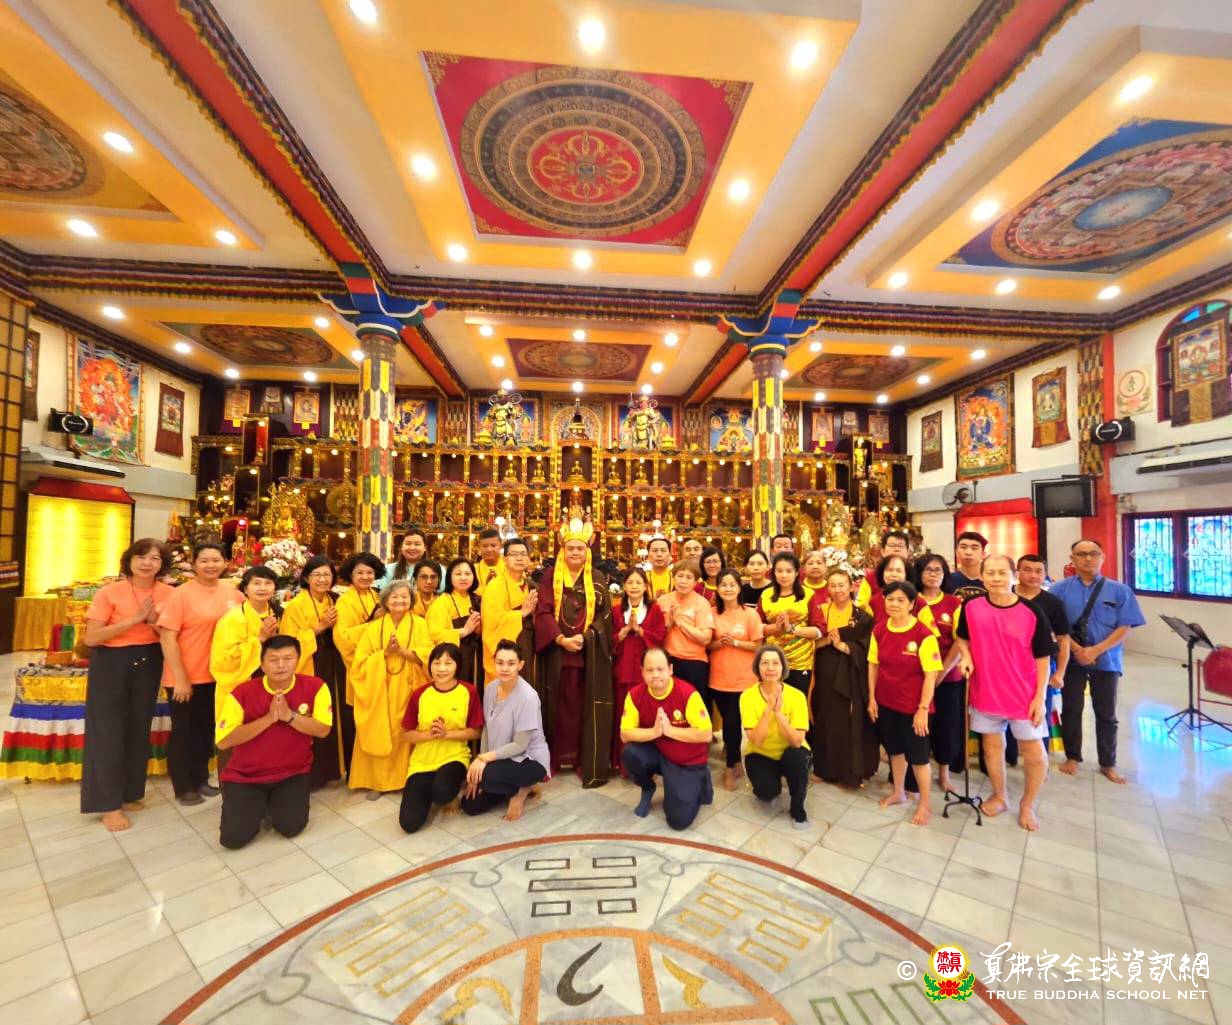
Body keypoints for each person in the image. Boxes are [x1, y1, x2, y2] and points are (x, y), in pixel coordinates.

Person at [955, 555, 1055, 830]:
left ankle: (1028, 804)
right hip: (985, 690)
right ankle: (1000, 796)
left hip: (1023, 694)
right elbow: (962, 637)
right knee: (991, 747)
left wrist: (1040, 698)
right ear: (982, 576)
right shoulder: (971, 606)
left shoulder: (1032, 612)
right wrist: (966, 656)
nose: (996, 578)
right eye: (990, 573)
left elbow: (1043, 657)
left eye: (1002, 573)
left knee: (1034, 753)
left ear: (1014, 576)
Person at [81, 539, 174, 831]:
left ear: (162, 564)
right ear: (129, 561)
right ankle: (108, 805)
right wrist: (135, 619)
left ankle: (130, 792)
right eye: (141, 557)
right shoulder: (109, 593)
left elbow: (169, 634)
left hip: (149, 660)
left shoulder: (170, 593)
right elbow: (91, 638)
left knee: (138, 728)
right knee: (107, 732)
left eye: (155, 558)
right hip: (112, 662)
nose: (147, 563)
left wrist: (155, 624)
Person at [215, 635, 331, 849]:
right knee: (233, 840)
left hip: (293, 772)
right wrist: (268, 719)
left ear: (298, 660)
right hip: (246, 776)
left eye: (288, 658)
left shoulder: (315, 687)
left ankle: (270, 805)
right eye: (273, 659)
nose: (281, 665)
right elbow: (223, 742)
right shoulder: (241, 693)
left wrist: (289, 716)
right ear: (261, 664)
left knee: (291, 827)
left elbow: (323, 730)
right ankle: (259, 805)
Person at [1050, 540, 1145, 784]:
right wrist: (1077, 650)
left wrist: (1096, 650)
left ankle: (1108, 763)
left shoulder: (1120, 591)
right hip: (1071, 660)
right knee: (1071, 709)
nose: (1087, 559)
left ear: (1102, 557)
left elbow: (1125, 626)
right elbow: (1054, 624)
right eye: (1081, 554)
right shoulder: (1059, 590)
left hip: (1107, 660)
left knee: (1106, 713)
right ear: (1072, 558)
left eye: (1093, 554)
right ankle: (1073, 756)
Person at [158, 542, 242, 806]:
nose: (210, 565)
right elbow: (167, 637)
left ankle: (200, 778)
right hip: (186, 676)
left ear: (225, 562)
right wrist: (181, 678)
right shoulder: (181, 595)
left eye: (216, 560)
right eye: (204, 560)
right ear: (193, 564)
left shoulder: (232, 592)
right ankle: (183, 786)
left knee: (207, 731)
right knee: (184, 732)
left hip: (219, 676)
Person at [534, 519, 613, 787]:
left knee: (582, 709)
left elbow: (604, 616)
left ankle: (581, 759)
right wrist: (560, 639)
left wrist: (586, 637)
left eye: (580, 548)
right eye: (571, 548)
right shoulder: (550, 576)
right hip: (557, 655)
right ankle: (554, 758)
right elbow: (543, 611)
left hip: (586, 655)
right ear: (563, 550)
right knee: (555, 708)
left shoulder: (597, 578)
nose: (576, 553)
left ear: (587, 551)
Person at [867, 581, 943, 825]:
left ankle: (925, 804)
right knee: (895, 751)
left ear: (912, 604)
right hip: (887, 703)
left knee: (919, 758)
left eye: (901, 600)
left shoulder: (924, 635)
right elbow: (873, 665)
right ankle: (899, 792)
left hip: (914, 708)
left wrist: (923, 709)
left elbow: (931, 675)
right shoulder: (880, 629)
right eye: (890, 599)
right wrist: (872, 698)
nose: (894, 604)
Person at [349, 579, 431, 797]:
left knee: (406, 730)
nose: (400, 601)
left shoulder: (420, 624)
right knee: (380, 730)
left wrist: (403, 652)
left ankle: (408, 779)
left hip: (410, 686)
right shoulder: (374, 628)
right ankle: (378, 782)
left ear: (411, 601)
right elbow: (359, 663)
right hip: (379, 688)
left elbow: (428, 653)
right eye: (394, 597)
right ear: (385, 601)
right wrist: (385, 654)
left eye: (405, 597)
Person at [620, 647, 713, 829]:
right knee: (630, 752)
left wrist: (669, 730)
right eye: (650, 670)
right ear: (642, 672)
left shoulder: (688, 693)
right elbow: (625, 734)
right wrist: (655, 732)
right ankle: (648, 787)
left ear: (670, 669)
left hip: (687, 762)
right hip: (660, 754)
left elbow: (706, 734)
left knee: (678, 821)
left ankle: (701, 780)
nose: (655, 675)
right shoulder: (635, 695)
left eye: (660, 669)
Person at [398, 642, 483, 832]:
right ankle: (431, 790)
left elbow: (476, 731)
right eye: (436, 663)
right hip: (422, 762)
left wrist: (446, 734)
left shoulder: (468, 691)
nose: (441, 669)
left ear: (457, 666)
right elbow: (405, 734)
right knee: (409, 823)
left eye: (448, 663)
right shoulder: (419, 694)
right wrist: (429, 734)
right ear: (430, 667)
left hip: (454, 757)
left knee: (443, 792)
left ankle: (444, 790)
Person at [278, 555, 347, 787]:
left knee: (331, 712)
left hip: (333, 661)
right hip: (310, 662)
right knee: (311, 713)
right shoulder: (296, 606)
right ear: (306, 578)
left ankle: (331, 770)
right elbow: (289, 642)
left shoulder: (336, 600)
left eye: (327, 574)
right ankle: (309, 775)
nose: (322, 579)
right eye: (316, 575)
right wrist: (319, 627)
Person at [462, 639, 550, 821]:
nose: (505, 668)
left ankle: (522, 790)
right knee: (470, 804)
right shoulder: (490, 689)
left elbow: (520, 745)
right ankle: (512, 787)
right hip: (502, 758)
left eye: (511, 663)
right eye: (500, 663)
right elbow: (486, 729)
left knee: (485, 776)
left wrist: (484, 760)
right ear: (493, 663)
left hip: (530, 760)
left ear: (520, 665)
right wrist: (481, 760)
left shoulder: (528, 697)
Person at [809, 567, 878, 788]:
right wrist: (827, 642)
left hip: (850, 672)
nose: (837, 589)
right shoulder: (820, 611)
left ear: (851, 587)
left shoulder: (862, 616)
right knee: (823, 718)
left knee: (847, 721)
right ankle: (824, 769)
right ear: (827, 588)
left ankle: (847, 772)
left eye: (841, 585)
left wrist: (843, 646)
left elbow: (868, 647)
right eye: (833, 585)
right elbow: (809, 643)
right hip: (823, 671)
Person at [742, 645, 812, 830]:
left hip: (792, 751)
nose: (770, 668)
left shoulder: (797, 696)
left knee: (796, 757)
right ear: (758, 667)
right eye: (765, 663)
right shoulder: (747, 697)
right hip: (761, 753)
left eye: (775, 663)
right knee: (766, 793)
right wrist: (768, 709)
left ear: (783, 667)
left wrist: (779, 713)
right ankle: (770, 783)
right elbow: (756, 741)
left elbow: (797, 741)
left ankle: (798, 808)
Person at [912, 553, 965, 793]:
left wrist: (940, 673)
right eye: (928, 570)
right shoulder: (911, 600)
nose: (933, 574)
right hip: (914, 676)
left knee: (946, 726)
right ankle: (917, 771)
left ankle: (944, 772)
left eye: (938, 570)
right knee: (917, 727)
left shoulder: (954, 603)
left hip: (947, 676)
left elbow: (959, 641)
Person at [709, 568, 764, 790]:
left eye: (732, 584)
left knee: (732, 722)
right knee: (730, 721)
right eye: (723, 584)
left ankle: (730, 768)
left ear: (739, 588)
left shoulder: (750, 614)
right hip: (717, 677)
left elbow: (758, 646)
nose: (728, 589)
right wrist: (719, 643)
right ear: (717, 588)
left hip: (743, 678)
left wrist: (735, 643)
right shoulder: (712, 613)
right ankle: (736, 759)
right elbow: (707, 644)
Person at [1015, 553, 1071, 768]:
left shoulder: (1053, 603)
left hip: (1040, 669)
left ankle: (1040, 762)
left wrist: (1060, 673)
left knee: (1039, 715)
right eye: (1027, 570)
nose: (1033, 575)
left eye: (1038, 571)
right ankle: (1010, 756)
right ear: (1018, 572)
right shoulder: (1006, 596)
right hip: (1008, 668)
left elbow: (1063, 639)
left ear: (1045, 574)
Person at [611, 567, 667, 773]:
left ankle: (648, 764)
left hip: (648, 671)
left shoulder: (654, 610)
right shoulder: (617, 610)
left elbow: (660, 637)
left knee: (648, 715)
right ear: (624, 586)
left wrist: (640, 630)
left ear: (645, 586)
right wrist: (626, 630)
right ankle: (624, 764)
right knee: (624, 714)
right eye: (630, 582)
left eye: (638, 582)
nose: (634, 586)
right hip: (624, 669)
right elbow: (609, 639)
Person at [210, 566, 280, 722]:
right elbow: (224, 660)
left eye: (268, 583)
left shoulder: (279, 613)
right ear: (245, 589)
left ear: (275, 588)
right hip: (242, 686)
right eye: (256, 583)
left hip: (273, 684)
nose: (262, 588)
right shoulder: (233, 618)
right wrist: (260, 639)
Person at [333, 552, 386, 725]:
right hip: (357, 663)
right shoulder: (345, 600)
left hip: (378, 661)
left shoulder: (377, 596)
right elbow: (343, 637)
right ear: (351, 574)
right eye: (360, 573)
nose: (365, 577)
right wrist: (372, 622)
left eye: (369, 572)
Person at [658, 560, 715, 715]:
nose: (683, 581)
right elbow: (657, 636)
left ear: (695, 582)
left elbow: (705, 638)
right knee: (670, 705)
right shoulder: (663, 601)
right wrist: (670, 622)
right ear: (673, 578)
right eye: (680, 576)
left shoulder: (702, 603)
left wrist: (681, 622)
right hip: (668, 659)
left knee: (696, 706)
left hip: (694, 662)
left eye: (689, 577)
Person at [758, 553, 820, 693]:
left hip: (800, 661)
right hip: (772, 661)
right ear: (773, 573)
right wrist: (776, 627)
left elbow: (818, 631)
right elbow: (758, 629)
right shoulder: (765, 595)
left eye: (789, 571)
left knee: (797, 701)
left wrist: (791, 629)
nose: (784, 575)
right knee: (772, 699)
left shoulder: (808, 594)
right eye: (779, 571)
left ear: (797, 573)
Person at [481, 537, 538, 681]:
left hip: (526, 643)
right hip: (505, 649)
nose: (519, 558)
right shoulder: (495, 586)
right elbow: (492, 622)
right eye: (514, 554)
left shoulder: (531, 585)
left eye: (523, 554)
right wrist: (521, 613)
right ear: (505, 559)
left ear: (528, 559)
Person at [426, 558, 484, 689]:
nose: (463, 578)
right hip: (455, 660)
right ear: (449, 577)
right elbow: (433, 634)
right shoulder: (442, 603)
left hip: (478, 658)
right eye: (458, 574)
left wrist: (479, 630)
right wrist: (463, 631)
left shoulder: (478, 599)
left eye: (467, 573)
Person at [862, 555, 921, 626]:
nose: (894, 574)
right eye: (889, 570)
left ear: (907, 574)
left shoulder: (919, 602)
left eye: (899, 571)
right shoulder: (874, 601)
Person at [946, 531, 988, 600]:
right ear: (956, 552)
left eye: (974, 548)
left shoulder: (991, 580)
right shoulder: (947, 580)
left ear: (983, 554)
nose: (968, 552)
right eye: (963, 547)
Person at [474, 528, 505, 595]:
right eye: (485, 546)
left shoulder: (510, 567)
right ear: (479, 547)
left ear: (501, 546)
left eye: (493, 545)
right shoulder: (473, 570)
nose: (489, 550)